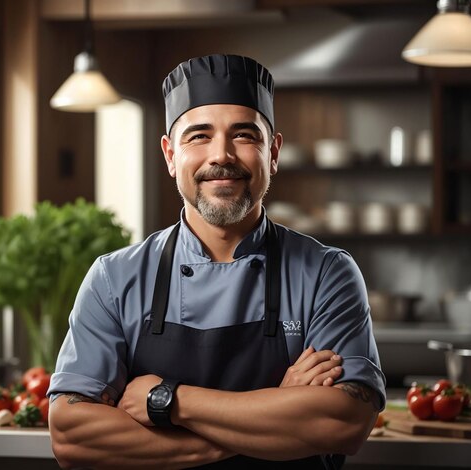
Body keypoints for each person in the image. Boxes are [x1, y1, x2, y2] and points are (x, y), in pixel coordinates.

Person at [47, 54, 386, 469]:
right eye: (198, 136)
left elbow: (342, 423)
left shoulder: (326, 273)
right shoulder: (114, 278)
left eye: (244, 135)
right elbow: (72, 436)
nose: (221, 155)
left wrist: (168, 400)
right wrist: (276, 417)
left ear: (273, 152)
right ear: (171, 155)